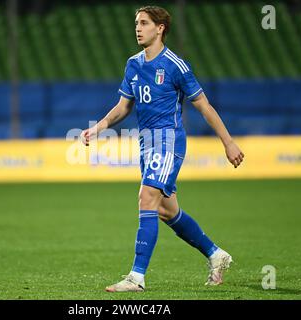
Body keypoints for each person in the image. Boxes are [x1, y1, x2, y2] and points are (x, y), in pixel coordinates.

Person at [80, 6, 244, 292]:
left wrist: (228, 142)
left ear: (160, 29)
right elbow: (123, 107)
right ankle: (216, 254)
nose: (138, 28)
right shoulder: (133, 64)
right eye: (136, 23)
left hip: (168, 141)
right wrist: (98, 127)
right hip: (146, 144)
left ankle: (136, 277)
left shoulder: (175, 65)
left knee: (146, 197)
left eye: (144, 23)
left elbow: (204, 106)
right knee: (168, 211)